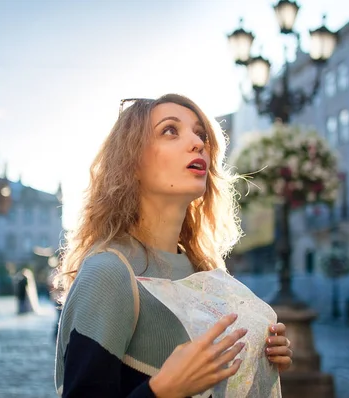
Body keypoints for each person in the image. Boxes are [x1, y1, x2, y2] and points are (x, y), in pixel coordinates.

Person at [54, 94, 293, 397]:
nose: (197, 144)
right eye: (170, 130)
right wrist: (163, 390)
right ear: (132, 161)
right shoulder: (109, 272)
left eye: (201, 134)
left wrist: (260, 357)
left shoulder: (203, 269)